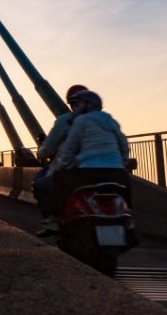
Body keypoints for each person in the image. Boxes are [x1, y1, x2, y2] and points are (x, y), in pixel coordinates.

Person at [45, 90, 132, 231]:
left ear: (87, 105)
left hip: (88, 172)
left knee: (58, 179)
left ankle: (54, 220)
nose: (75, 108)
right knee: (124, 188)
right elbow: (123, 143)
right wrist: (123, 161)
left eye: (77, 104)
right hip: (117, 172)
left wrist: (63, 165)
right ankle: (130, 218)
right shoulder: (111, 120)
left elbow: (70, 148)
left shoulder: (81, 121)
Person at [33, 85, 88, 236]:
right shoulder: (104, 120)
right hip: (104, 169)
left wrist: (42, 152)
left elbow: (48, 148)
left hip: (72, 170)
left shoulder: (66, 120)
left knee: (39, 183)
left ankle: (53, 220)